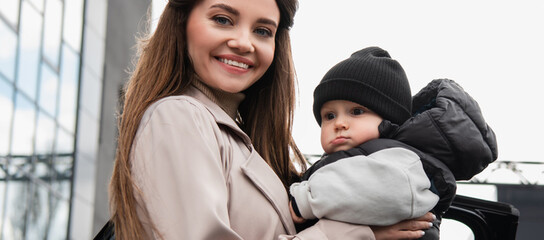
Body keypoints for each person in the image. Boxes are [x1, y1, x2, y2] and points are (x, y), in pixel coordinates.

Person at [107, 0, 432, 239]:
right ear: (182, 22)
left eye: (263, 30)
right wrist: (355, 233)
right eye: (222, 19)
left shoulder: (240, 137)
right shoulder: (177, 117)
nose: (244, 42)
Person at [288, 47, 499, 240]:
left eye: (357, 112)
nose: (340, 123)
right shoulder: (357, 158)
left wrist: (306, 199)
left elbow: (373, 189)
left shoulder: (401, 159)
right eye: (329, 115)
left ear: (389, 120)